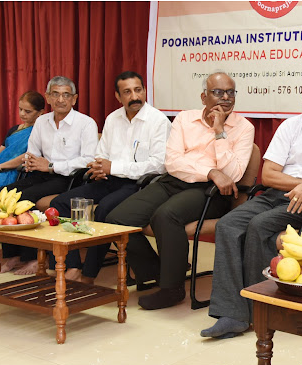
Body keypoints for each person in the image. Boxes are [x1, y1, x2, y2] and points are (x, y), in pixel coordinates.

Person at [201, 69, 302, 339]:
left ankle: (261, 310)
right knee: (227, 225)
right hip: (276, 195)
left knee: (259, 226)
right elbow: (269, 175)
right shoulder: (289, 127)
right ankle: (232, 313)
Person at [106, 70, 255, 310]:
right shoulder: (185, 119)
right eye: (218, 92)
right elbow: (173, 162)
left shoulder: (244, 128)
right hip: (175, 181)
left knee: (165, 216)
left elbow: (233, 174)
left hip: (212, 193)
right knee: (117, 220)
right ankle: (158, 271)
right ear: (204, 97)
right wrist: (210, 171)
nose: (226, 98)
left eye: (230, 92)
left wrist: (220, 132)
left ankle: (172, 289)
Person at [46, 71, 171, 283]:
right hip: (109, 179)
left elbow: (159, 165)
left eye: (138, 90)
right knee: (60, 203)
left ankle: (89, 274)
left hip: (140, 184)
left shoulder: (158, 121)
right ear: (118, 96)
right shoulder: (113, 118)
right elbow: (101, 153)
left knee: (104, 209)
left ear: (145, 91)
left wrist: (113, 167)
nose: (134, 96)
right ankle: (73, 266)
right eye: (127, 92)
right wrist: (99, 166)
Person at [0, 76, 99, 274]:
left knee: (25, 198)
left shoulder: (86, 123)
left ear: (74, 99)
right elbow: (32, 150)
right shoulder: (42, 121)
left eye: (66, 95)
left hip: (69, 178)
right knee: (5, 194)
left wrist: (52, 166)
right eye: (55, 94)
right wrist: (32, 161)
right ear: (47, 97)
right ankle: (13, 254)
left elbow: (88, 160)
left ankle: (35, 257)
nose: (60, 99)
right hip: (41, 173)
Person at [0, 91, 45, 205]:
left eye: (27, 111)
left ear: (40, 112)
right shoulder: (14, 130)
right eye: (20, 109)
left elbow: (26, 156)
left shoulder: (39, 133)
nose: (22, 114)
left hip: (15, 173)